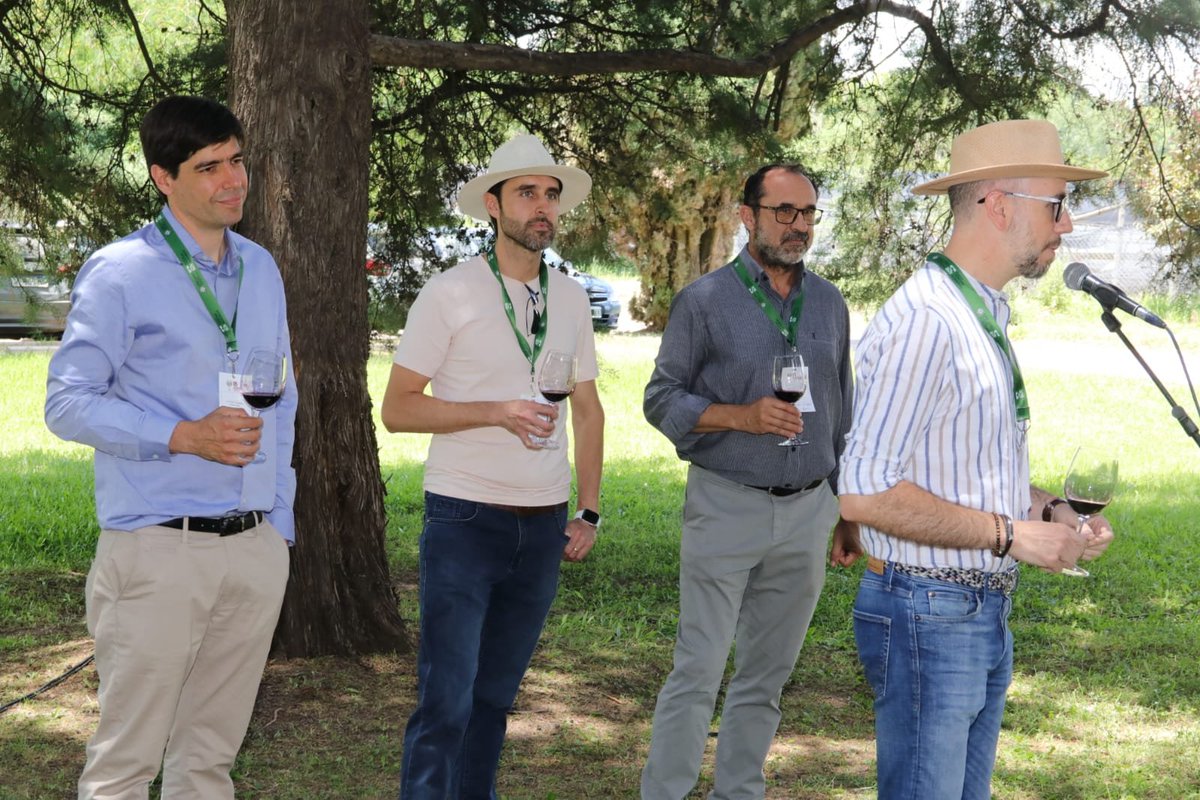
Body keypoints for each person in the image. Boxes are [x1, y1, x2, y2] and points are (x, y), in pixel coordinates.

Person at [838, 118, 1116, 799]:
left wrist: (1048, 512)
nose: (1066, 225)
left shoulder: (979, 312)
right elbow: (863, 493)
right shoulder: (927, 320)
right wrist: (1010, 535)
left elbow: (964, 470)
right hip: (927, 610)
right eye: (1056, 205)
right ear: (997, 205)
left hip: (973, 610)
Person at [45, 95, 295, 800]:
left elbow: (283, 400)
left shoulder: (261, 268)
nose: (233, 180)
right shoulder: (120, 272)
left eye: (237, 160)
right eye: (209, 167)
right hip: (159, 550)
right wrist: (184, 436)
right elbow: (67, 402)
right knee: (125, 767)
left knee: (208, 764)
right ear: (164, 177)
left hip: (254, 549)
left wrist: (278, 528)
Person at [381, 133, 605, 799]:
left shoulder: (570, 297)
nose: (542, 206)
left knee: (494, 701)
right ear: (493, 204)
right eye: (527, 193)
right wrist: (495, 411)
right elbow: (397, 408)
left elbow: (589, 411)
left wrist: (588, 510)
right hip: (464, 518)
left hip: (543, 525)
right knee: (446, 701)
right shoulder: (449, 292)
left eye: (551, 195)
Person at [641, 164, 861, 800]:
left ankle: (739, 791)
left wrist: (846, 511)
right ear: (748, 216)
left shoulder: (830, 303)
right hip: (726, 506)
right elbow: (660, 398)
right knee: (699, 669)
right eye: (783, 211)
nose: (798, 226)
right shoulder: (704, 301)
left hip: (809, 513)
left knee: (767, 675)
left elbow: (841, 411)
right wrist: (740, 417)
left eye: (808, 213)